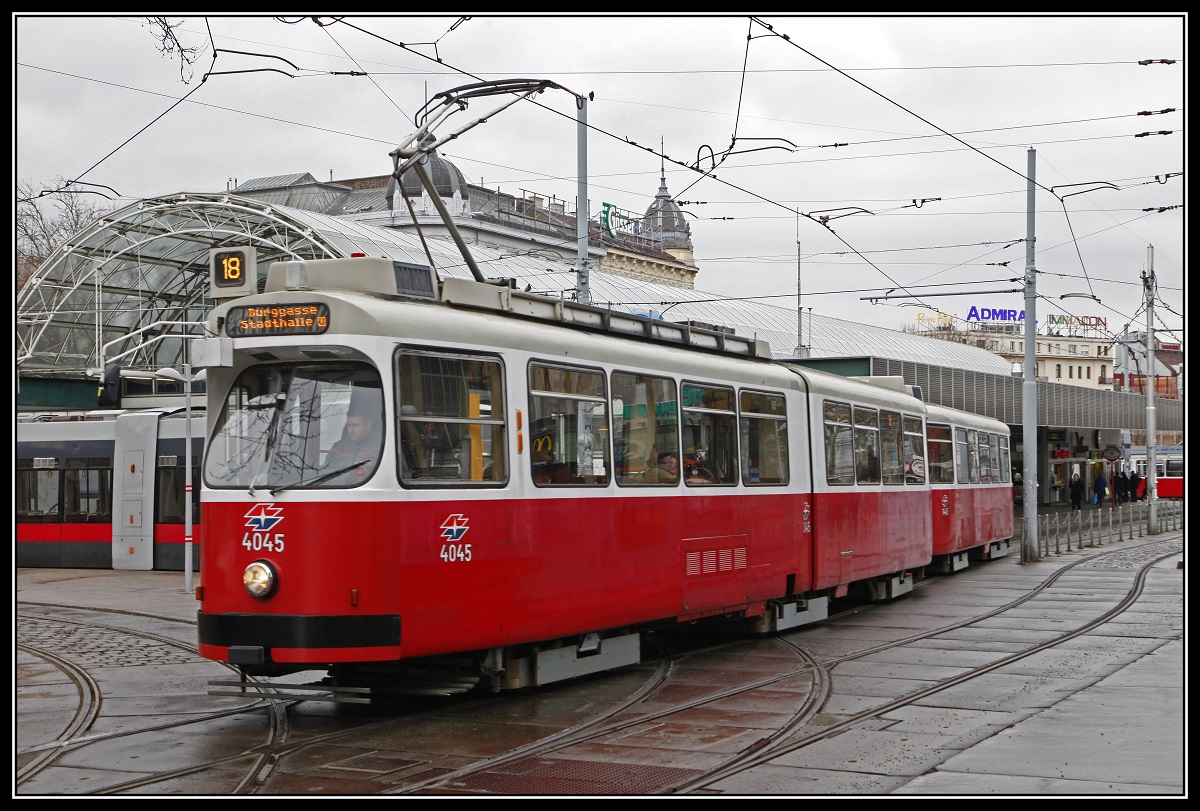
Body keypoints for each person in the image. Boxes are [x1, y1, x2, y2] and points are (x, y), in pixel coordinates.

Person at [325, 410, 382, 483]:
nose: (351, 430)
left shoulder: (381, 448)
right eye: (348, 425)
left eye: (355, 425)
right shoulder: (338, 448)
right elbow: (325, 473)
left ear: (368, 425)